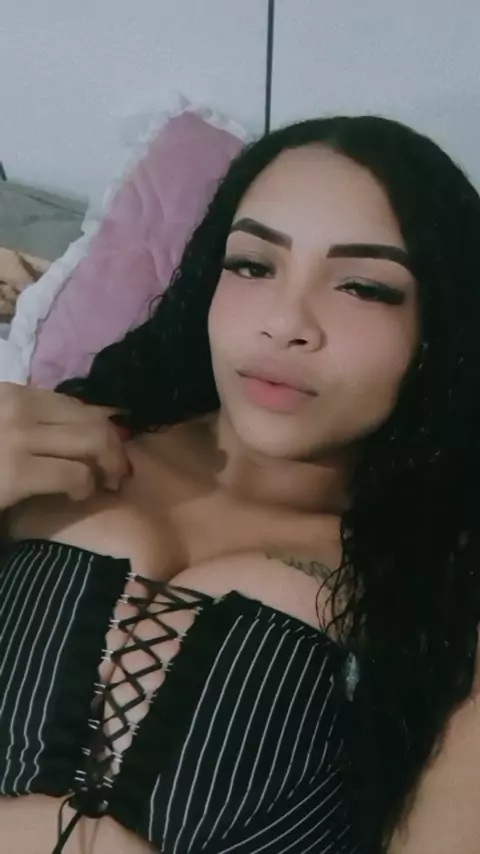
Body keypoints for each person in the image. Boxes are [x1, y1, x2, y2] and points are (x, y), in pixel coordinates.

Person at [1, 115, 480, 854]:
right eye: (253, 265)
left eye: (362, 287)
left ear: (439, 329)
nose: (286, 323)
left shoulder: (441, 597)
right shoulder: (41, 440)